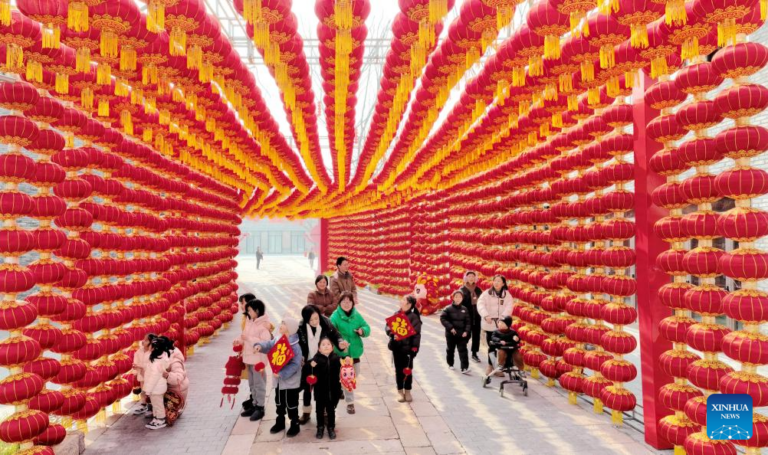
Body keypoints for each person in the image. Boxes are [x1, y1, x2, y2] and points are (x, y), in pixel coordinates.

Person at [297, 305, 348, 425]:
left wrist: (340, 343)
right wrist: (301, 357)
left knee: (324, 389)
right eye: (311, 320)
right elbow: (298, 344)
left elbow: (336, 335)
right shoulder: (301, 327)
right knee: (307, 388)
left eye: (316, 318)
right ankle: (306, 412)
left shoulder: (326, 322)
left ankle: (325, 412)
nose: (315, 322)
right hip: (310, 362)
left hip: (324, 361)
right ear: (306, 319)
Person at [253, 317, 303, 437]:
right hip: (279, 381)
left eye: (284, 324)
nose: (280, 325)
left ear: (290, 329)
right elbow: (269, 344)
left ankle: (294, 423)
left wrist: (282, 373)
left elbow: (296, 364)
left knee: (291, 403)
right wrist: (260, 345)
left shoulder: (295, 345)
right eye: (281, 322)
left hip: (290, 381)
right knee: (279, 402)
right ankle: (280, 421)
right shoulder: (277, 339)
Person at [329, 291, 370, 414]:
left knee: (355, 373)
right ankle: (350, 403)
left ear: (352, 303)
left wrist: (362, 331)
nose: (346, 304)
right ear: (339, 303)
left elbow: (367, 327)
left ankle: (343, 386)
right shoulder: (335, 316)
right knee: (348, 376)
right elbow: (331, 331)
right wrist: (339, 341)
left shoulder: (357, 315)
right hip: (341, 353)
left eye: (349, 301)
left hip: (355, 352)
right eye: (344, 301)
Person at [235, 299, 272, 421]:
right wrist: (239, 340)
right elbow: (244, 335)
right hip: (249, 358)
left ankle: (260, 407)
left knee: (259, 383)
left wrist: (249, 338)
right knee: (252, 383)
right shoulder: (249, 321)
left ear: (256, 310)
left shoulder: (263, 325)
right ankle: (254, 404)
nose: (248, 312)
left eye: (250, 310)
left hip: (258, 360)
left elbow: (265, 342)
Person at [386, 295, 422, 403]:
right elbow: (388, 326)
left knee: (408, 370)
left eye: (403, 300)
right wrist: (392, 333)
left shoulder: (414, 317)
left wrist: (414, 348)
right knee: (398, 371)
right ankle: (400, 391)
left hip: (408, 350)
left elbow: (417, 335)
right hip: (397, 348)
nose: (400, 301)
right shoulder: (397, 314)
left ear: (409, 304)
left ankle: (408, 391)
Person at [477, 275, 514, 378]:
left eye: (499, 281)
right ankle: (490, 365)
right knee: (492, 345)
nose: (496, 283)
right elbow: (480, 305)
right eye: (495, 281)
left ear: (503, 283)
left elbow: (509, 306)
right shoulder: (486, 294)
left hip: (501, 325)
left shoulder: (507, 295)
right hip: (489, 323)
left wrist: (503, 318)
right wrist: (486, 315)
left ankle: (499, 366)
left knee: (501, 346)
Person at [308, 337, 342, 440]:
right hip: (320, 391)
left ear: (332, 347)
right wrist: (310, 366)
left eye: (328, 344)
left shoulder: (336, 358)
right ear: (319, 349)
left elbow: (346, 363)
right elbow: (308, 369)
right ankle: (320, 427)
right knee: (319, 410)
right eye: (323, 344)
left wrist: (348, 358)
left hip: (333, 391)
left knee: (331, 410)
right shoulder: (316, 359)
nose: (326, 346)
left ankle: (331, 428)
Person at [485, 316, 523, 385]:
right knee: (501, 353)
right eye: (499, 323)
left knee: (518, 356)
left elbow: (518, 340)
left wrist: (516, 339)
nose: (500, 324)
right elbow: (493, 337)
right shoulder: (496, 332)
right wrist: (499, 340)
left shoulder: (513, 332)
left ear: (507, 325)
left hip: (512, 349)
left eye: (502, 323)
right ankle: (500, 365)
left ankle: (521, 370)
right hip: (502, 348)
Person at [143, 337, 171, 430]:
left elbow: (153, 378)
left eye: (151, 345)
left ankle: (160, 419)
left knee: (158, 405)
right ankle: (156, 418)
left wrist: (148, 390)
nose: (149, 346)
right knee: (155, 404)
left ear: (154, 348)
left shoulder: (156, 363)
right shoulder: (162, 357)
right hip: (158, 387)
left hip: (156, 388)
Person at [440, 290, 471, 374]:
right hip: (451, 334)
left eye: (460, 297)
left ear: (462, 298)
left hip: (461, 334)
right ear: (453, 298)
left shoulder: (465, 309)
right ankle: (450, 364)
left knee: (463, 350)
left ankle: (464, 368)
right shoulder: (448, 308)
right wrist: (450, 328)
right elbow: (443, 319)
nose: (458, 299)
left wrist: (466, 331)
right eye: (456, 297)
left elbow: (468, 322)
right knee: (450, 349)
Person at [459, 271, 483, 363]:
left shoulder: (478, 290)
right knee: (466, 335)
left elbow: (481, 302)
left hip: (477, 316)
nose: (471, 278)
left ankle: (474, 353)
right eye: (469, 276)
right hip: (467, 317)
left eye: (473, 276)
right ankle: (463, 351)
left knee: (476, 335)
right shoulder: (462, 290)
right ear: (466, 278)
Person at [131, 333, 155, 416]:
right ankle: (144, 404)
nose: (143, 341)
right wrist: (135, 369)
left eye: (146, 340)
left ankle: (152, 407)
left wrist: (141, 366)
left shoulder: (153, 352)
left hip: (150, 375)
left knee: (151, 392)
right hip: (141, 374)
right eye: (144, 339)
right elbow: (136, 360)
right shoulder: (140, 350)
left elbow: (151, 364)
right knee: (143, 391)